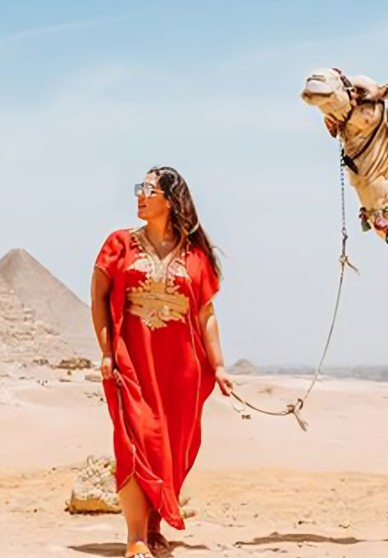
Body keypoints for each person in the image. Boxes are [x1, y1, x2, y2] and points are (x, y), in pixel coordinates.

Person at [90, 165, 234, 558]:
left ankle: (153, 526)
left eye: (148, 189)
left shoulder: (196, 256)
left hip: (181, 369)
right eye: (139, 187)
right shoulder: (119, 244)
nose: (139, 194)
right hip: (133, 361)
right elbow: (98, 298)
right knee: (134, 443)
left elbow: (205, 314)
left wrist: (219, 365)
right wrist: (107, 351)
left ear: (169, 200)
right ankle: (135, 536)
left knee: (171, 447)